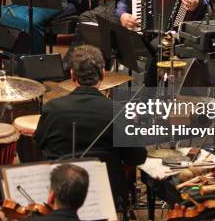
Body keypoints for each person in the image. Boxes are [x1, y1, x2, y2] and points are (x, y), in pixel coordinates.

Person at [35, 45, 147, 199]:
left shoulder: (52, 108)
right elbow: (136, 157)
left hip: (60, 192)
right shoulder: (118, 111)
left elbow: (39, 144)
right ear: (102, 74)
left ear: (72, 75)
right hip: (103, 194)